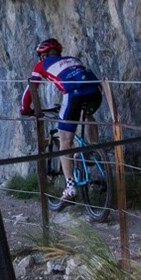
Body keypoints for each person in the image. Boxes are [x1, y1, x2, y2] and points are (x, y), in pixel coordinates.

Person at [19, 37, 103, 194]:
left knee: (65, 140)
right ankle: (94, 149)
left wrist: (24, 108)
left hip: (74, 94)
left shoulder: (41, 65)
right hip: (95, 92)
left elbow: (31, 87)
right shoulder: (73, 59)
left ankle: (70, 187)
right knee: (87, 115)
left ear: (43, 55)